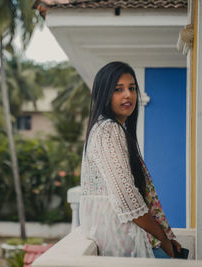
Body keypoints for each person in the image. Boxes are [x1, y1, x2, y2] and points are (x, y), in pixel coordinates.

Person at [79, 61, 182, 258]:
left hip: (126, 240)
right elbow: (127, 199)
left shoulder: (106, 129)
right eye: (118, 89)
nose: (128, 95)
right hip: (128, 242)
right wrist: (164, 240)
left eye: (132, 88)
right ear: (104, 94)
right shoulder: (108, 130)